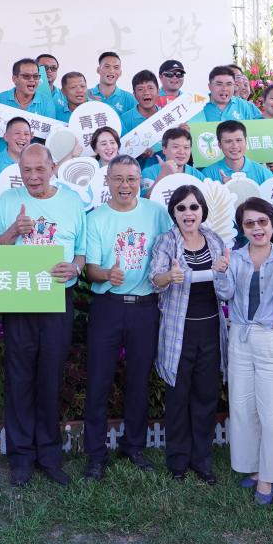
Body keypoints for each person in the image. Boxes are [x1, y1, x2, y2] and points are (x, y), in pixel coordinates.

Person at [0, 144, 84, 487]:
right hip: (20, 298)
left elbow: (82, 253)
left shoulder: (72, 202)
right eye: (26, 170)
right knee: (19, 379)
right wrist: (14, 231)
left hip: (58, 297)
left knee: (50, 377)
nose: (32, 177)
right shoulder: (9, 201)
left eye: (39, 170)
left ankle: (49, 454)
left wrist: (74, 268)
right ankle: (20, 457)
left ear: (53, 167)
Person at [82, 155, 173, 478]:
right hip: (108, 307)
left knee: (139, 379)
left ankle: (133, 445)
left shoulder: (157, 214)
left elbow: (172, 251)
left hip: (146, 307)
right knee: (99, 380)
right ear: (107, 181)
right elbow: (90, 270)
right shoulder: (96, 218)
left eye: (131, 179)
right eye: (118, 178)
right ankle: (95, 452)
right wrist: (107, 273)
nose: (125, 185)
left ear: (140, 182)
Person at [215, 197, 273, 504]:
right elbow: (225, 294)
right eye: (250, 223)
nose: (257, 228)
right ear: (242, 228)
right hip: (240, 337)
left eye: (262, 222)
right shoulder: (235, 257)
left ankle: (269, 476)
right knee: (243, 408)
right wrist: (220, 271)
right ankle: (253, 467)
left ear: (272, 224)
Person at [148, 184, 228, 483]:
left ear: (202, 210)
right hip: (178, 331)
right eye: (181, 208)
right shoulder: (166, 242)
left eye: (193, 207)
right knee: (178, 396)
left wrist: (223, 272)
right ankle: (178, 461)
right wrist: (171, 276)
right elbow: (155, 280)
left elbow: (228, 288)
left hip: (210, 328)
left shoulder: (215, 241)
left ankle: (202, 460)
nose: (188, 213)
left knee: (206, 396)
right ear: (174, 213)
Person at [198, 120, 272, 186]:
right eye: (228, 141)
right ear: (219, 145)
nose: (235, 146)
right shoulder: (208, 174)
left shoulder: (264, 173)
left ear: (246, 142)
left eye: (239, 140)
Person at [0, 117, 33, 203]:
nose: (22, 137)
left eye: (26, 134)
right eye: (17, 133)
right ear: (6, 137)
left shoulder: (36, 163)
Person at [142, 126, 207, 193]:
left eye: (186, 147)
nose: (181, 152)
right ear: (164, 149)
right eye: (176, 147)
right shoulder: (149, 172)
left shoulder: (197, 175)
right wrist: (163, 174)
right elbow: (145, 200)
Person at [89, 51, 136, 116]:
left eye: (116, 67)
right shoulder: (86, 95)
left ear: (120, 72)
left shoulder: (129, 98)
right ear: (98, 70)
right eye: (107, 66)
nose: (111, 71)